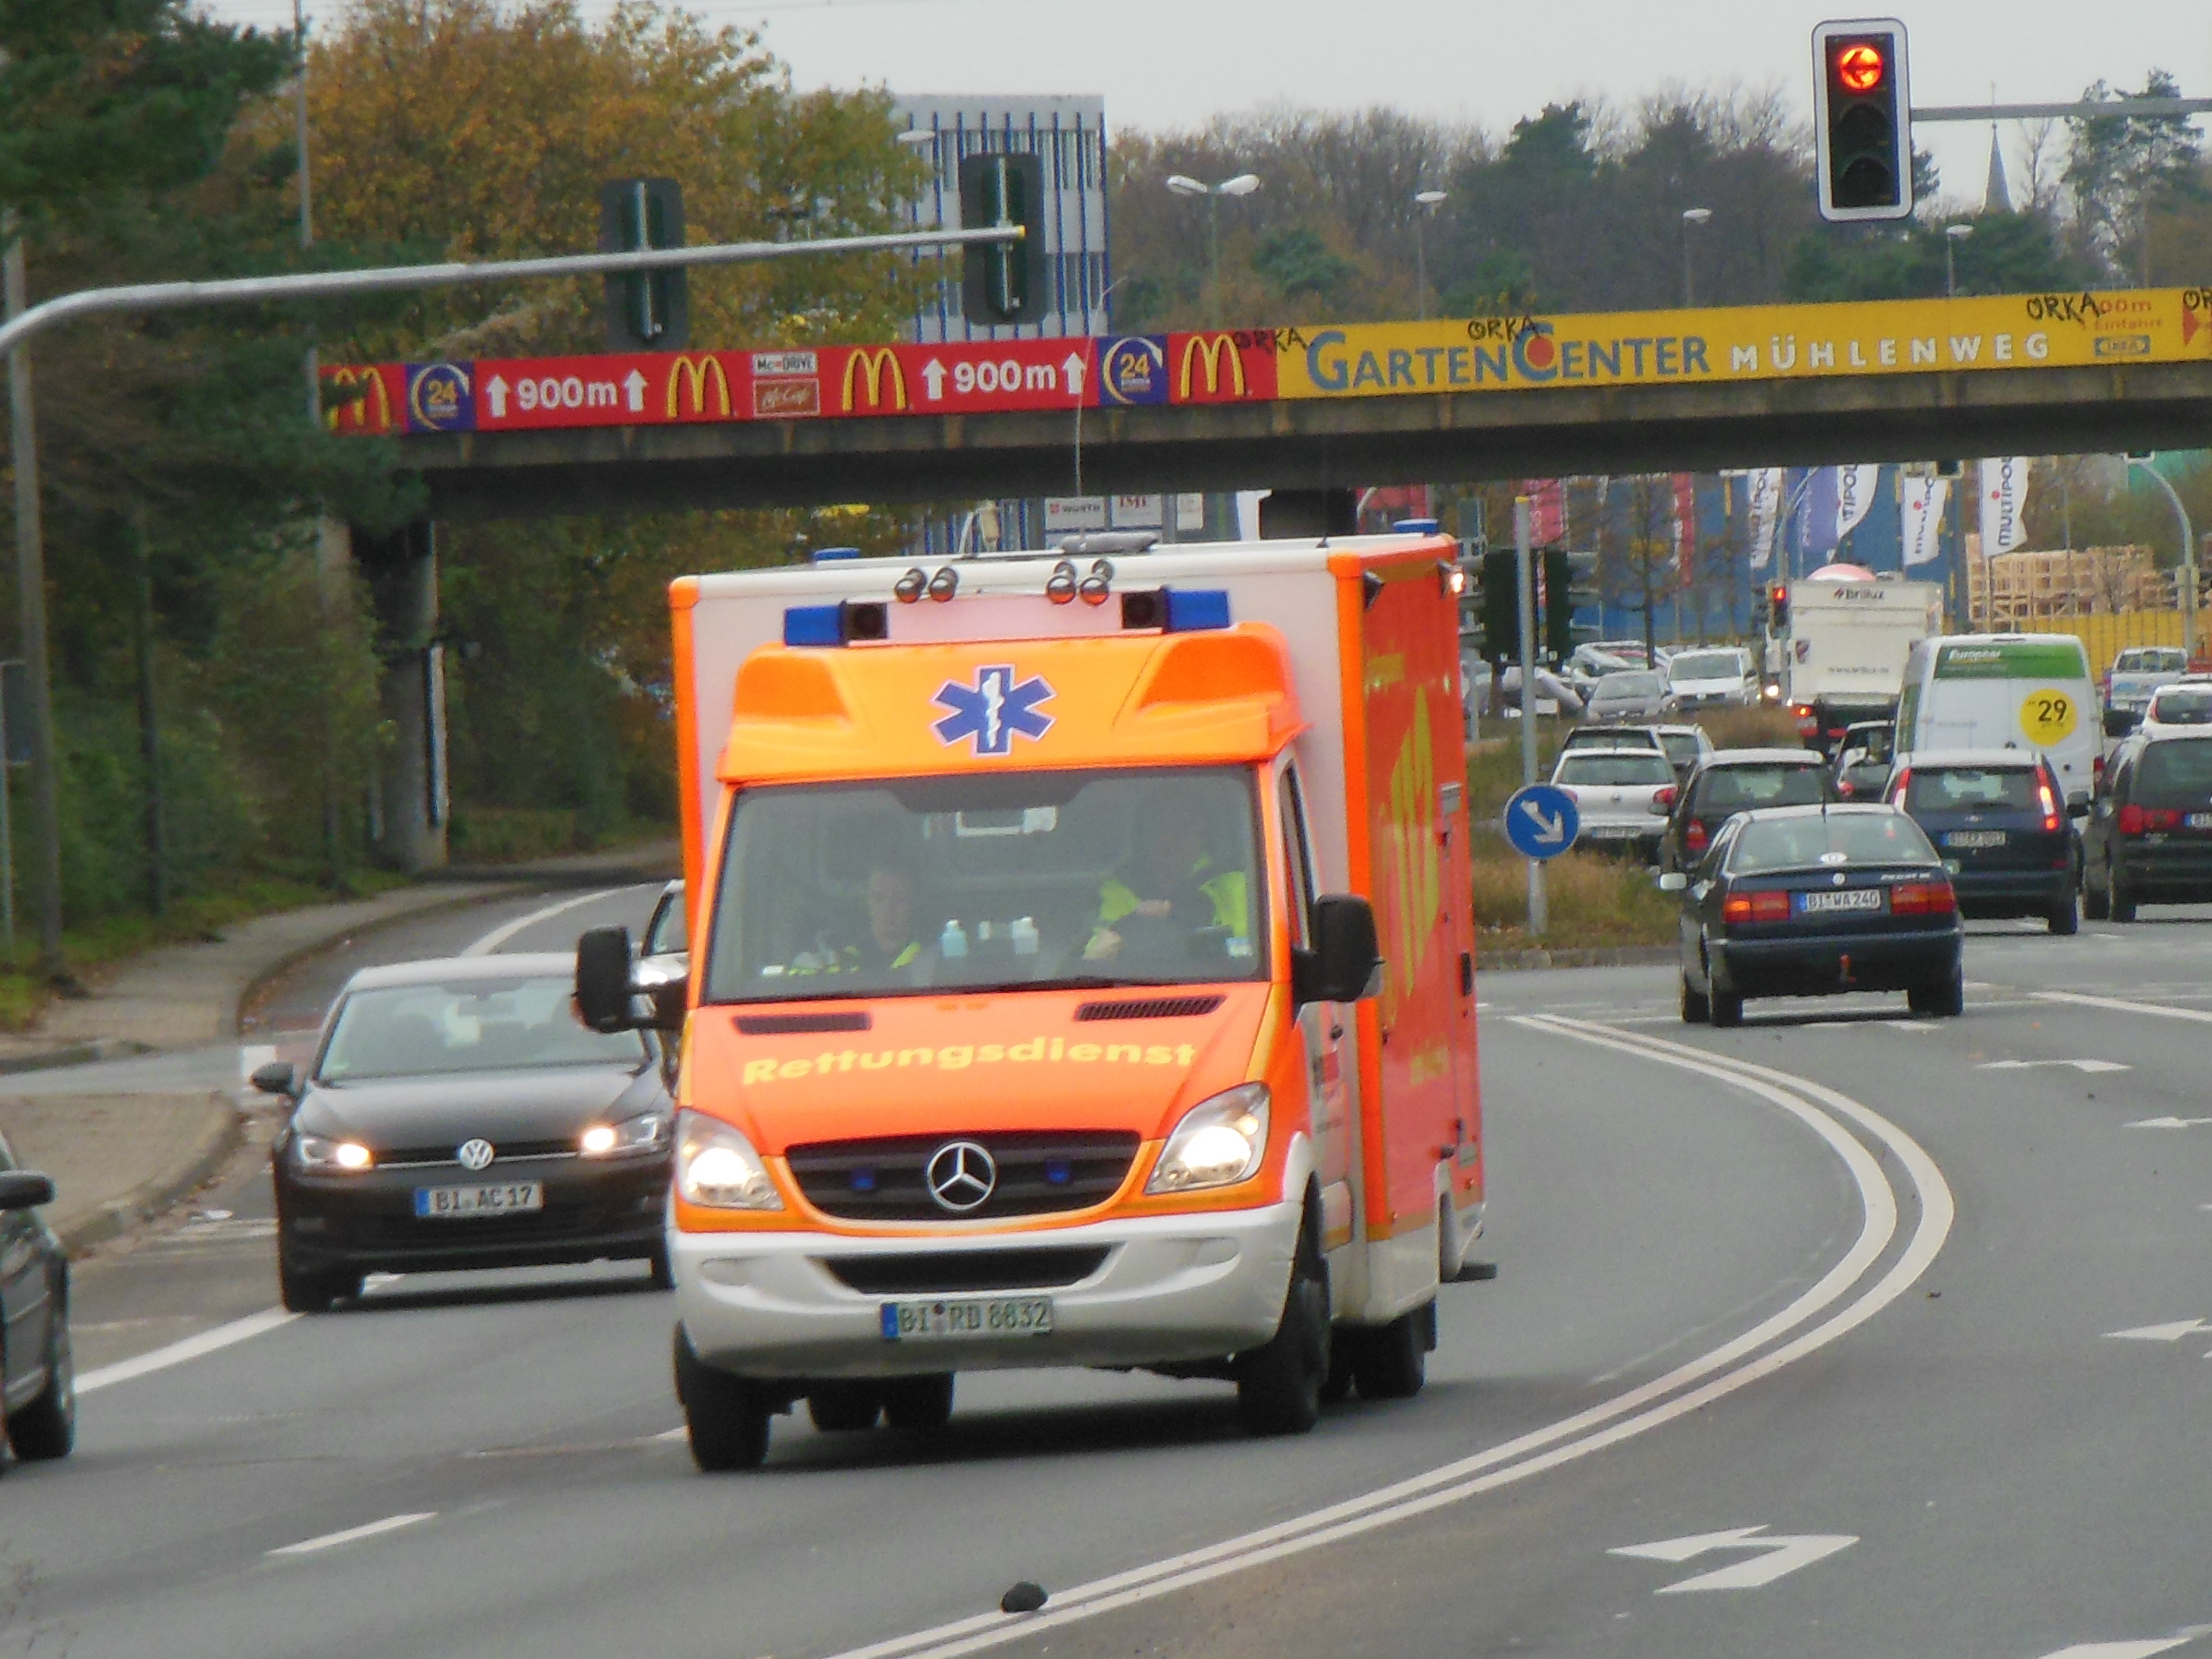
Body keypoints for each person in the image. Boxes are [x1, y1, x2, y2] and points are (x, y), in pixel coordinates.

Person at [1084, 793, 1249, 961]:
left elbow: (1257, 953)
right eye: (1159, 828)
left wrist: (1180, 913)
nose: (1170, 839)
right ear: (1143, 837)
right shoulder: (1118, 890)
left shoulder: (1239, 884)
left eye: (1183, 827)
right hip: (1139, 984)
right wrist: (1130, 924)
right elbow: (1094, 956)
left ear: (1204, 832)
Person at [793, 860, 925, 978]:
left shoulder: (934, 958)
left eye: (900, 900)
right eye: (878, 898)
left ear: (914, 902)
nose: (888, 908)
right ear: (867, 900)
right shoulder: (836, 955)